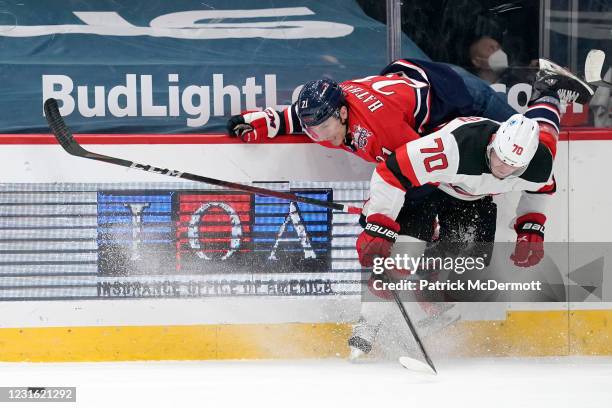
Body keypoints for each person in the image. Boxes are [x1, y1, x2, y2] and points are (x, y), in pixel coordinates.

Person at [350, 60, 594, 358]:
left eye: (514, 166)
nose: (504, 170)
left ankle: (548, 89)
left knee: (463, 254)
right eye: (500, 159)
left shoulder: (536, 162)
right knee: (399, 260)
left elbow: (541, 186)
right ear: (493, 143)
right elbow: (390, 173)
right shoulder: (451, 148)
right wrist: (378, 223)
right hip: (430, 187)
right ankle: (366, 327)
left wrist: (531, 228)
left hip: (470, 199)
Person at [227, 58, 518, 166]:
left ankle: (551, 92)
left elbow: (420, 169)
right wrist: (263, 122)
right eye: (312, 130)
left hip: (461, 93)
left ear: (342, 114)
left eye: (322, 128)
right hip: (423, 82)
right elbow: (302, 117)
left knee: (530, 144)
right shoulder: (330, 109)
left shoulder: (380, 132)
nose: (319, 137)